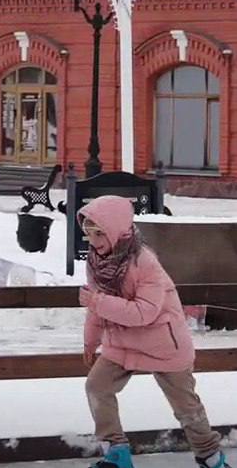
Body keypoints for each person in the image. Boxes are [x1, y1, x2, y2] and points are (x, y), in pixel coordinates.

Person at [78, 195, 230, 468]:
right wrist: (90, 341)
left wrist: (98, 302)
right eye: (88, 234)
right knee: (97, 387)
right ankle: (116, 453)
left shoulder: (144, 263)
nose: (93, 242)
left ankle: (211, 458)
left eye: (98, 234)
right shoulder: (96, 262)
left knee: (187, 408)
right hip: (123, 342)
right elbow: (96, 306)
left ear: (115, 231)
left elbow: (143, 312)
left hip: (163, 343)